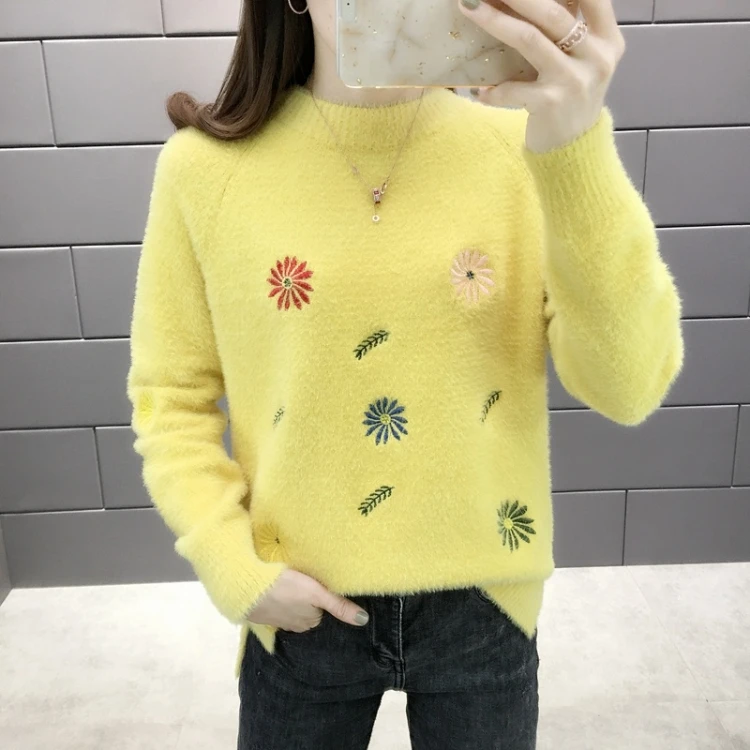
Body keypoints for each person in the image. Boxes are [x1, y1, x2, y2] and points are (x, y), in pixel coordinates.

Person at [126, 0, 684, 747]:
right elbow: (170, 398)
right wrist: (231, 566)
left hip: (484, 602)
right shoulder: (204, 171)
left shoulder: (527, 147)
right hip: (298, 607)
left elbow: (629, 387)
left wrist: (575, 149)